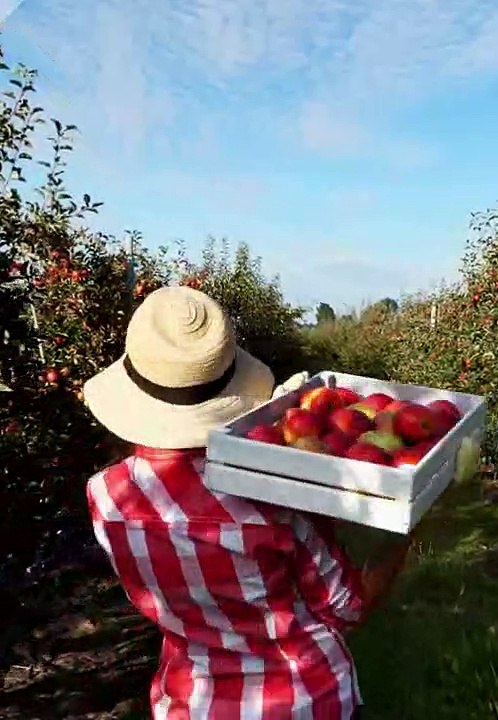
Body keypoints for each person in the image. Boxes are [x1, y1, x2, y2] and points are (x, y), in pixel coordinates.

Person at [82, 285, 409, 719]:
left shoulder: (106, 496)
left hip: (193, 705)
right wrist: (405, 529)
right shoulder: (269, 494)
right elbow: (346, 607)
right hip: (303, 702)